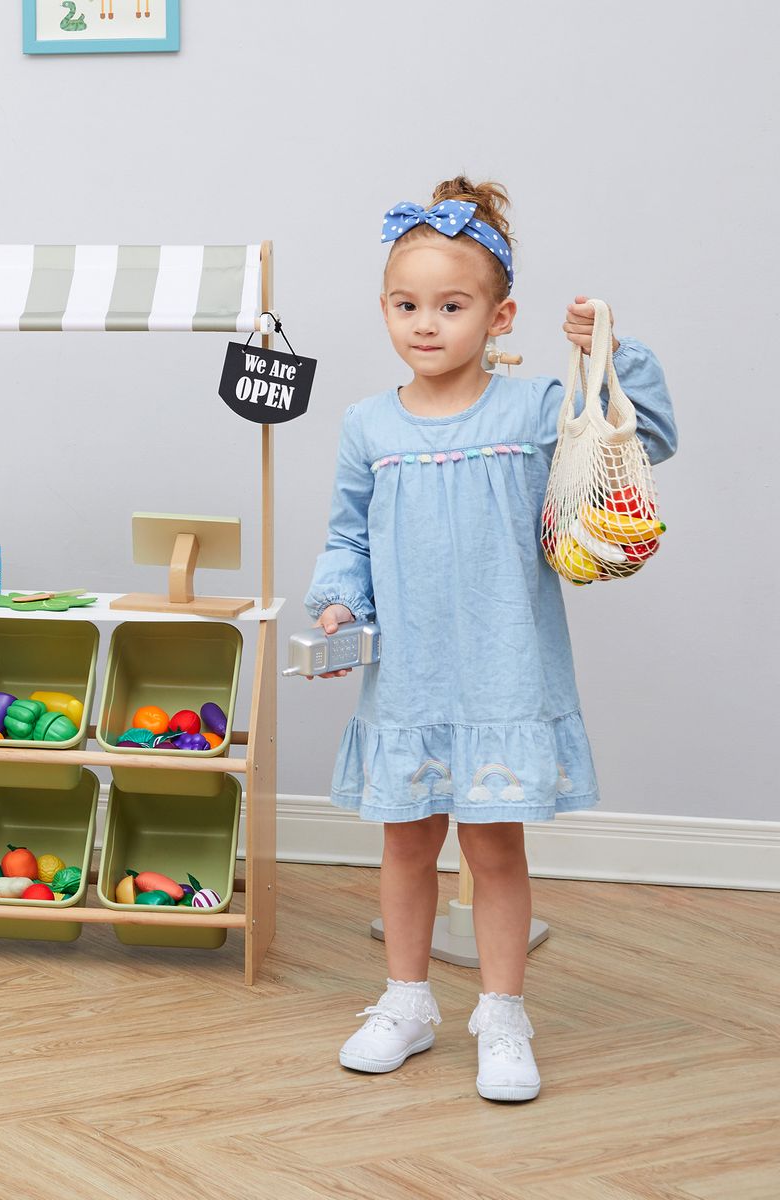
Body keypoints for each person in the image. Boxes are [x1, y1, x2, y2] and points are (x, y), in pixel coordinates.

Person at [303, 175, 677, 1102]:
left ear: (499, 315)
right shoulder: (367, 426)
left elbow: (649, 437)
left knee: (496, 849)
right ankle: (407, 1001)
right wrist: (338, 600)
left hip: (503, 674)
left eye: (451, 305)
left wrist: (611, 357)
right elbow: (347, 534)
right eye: (406, 304)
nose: (425, 324)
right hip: (410, 679)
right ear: (385, 309)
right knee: (403, 843)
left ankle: (502, 1015)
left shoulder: (535, 408)